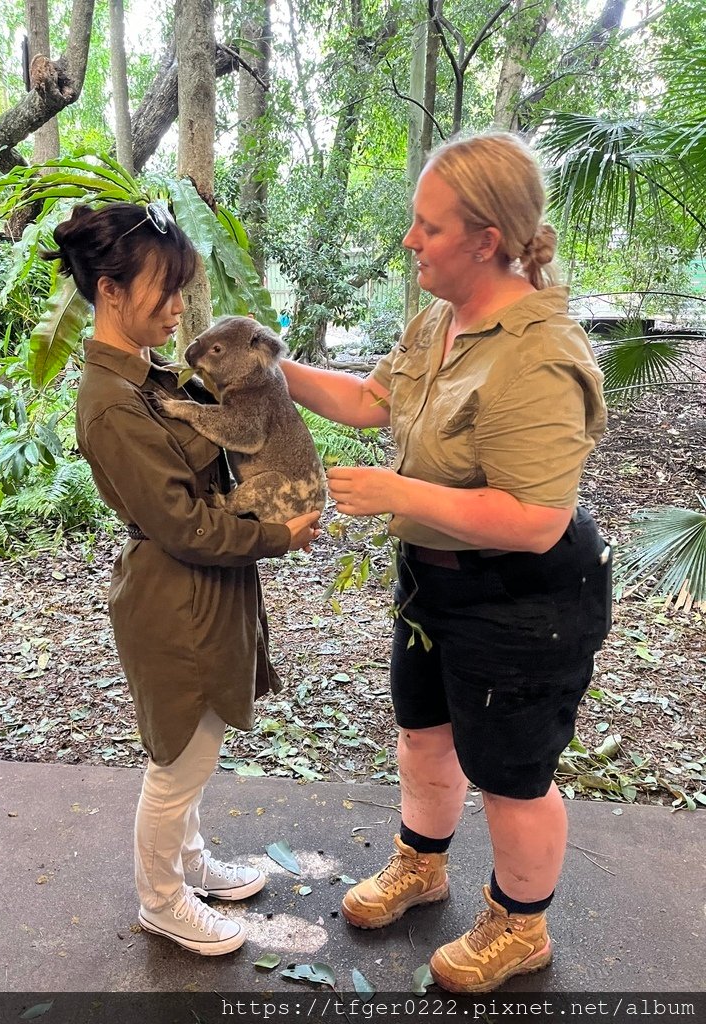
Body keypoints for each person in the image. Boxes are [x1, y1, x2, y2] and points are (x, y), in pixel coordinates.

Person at [281, 132, 611, 993]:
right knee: (424, 735)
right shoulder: (442, 318)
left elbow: (537, 519)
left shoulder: (536, 354)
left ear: (486, 238)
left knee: (511, 774)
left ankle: (520, 924)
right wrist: (270, 370)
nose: (408, 241)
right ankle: (421, 865)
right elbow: (369, 399)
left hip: (521, 596)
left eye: (426, 227)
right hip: (435, 583)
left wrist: (400, 494)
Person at [44, 201, 320, 957]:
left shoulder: (147, 374)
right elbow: (184, 525)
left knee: (199, 743)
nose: (177, 308)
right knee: (179, 758)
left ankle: (190, 861)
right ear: (109, 290)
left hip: (207, 587)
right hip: (178, 594)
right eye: (164, 290)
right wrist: (278, 534)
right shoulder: (110, 403)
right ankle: (162, 899)